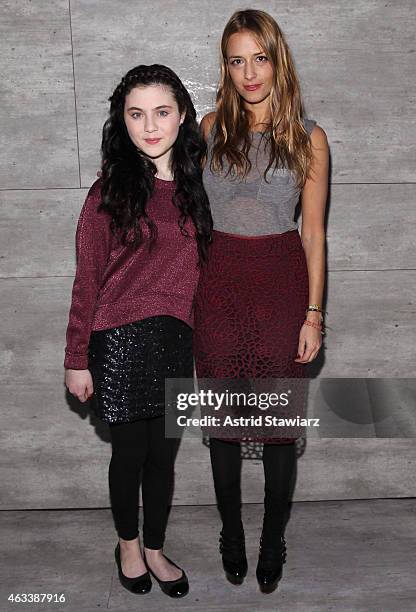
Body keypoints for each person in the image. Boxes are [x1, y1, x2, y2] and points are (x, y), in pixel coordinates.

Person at [193, 9, 329, 594]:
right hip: (217, 285)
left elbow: (314, 235)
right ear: (225, 67)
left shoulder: (309, 138)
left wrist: (314, 314)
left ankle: (273, 539)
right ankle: (232, 535)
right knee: (223, 425)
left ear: (278, 59)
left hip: (281, 286)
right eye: (236, 59)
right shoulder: (205, 129)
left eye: (259, 57)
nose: (249, 72)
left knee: (278, 425)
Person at [64, 64, 212, 598]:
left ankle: (154, 546)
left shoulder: (199, 187)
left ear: (182, 116)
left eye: (162, 112)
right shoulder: (110, 191)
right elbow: (86, 281)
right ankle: (127, 546)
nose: (150, 126)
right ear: (121, 120)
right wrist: (76, 357)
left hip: (176, 342)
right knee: (128, 456)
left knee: (163, 456)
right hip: (119, 340)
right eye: (136, 114)